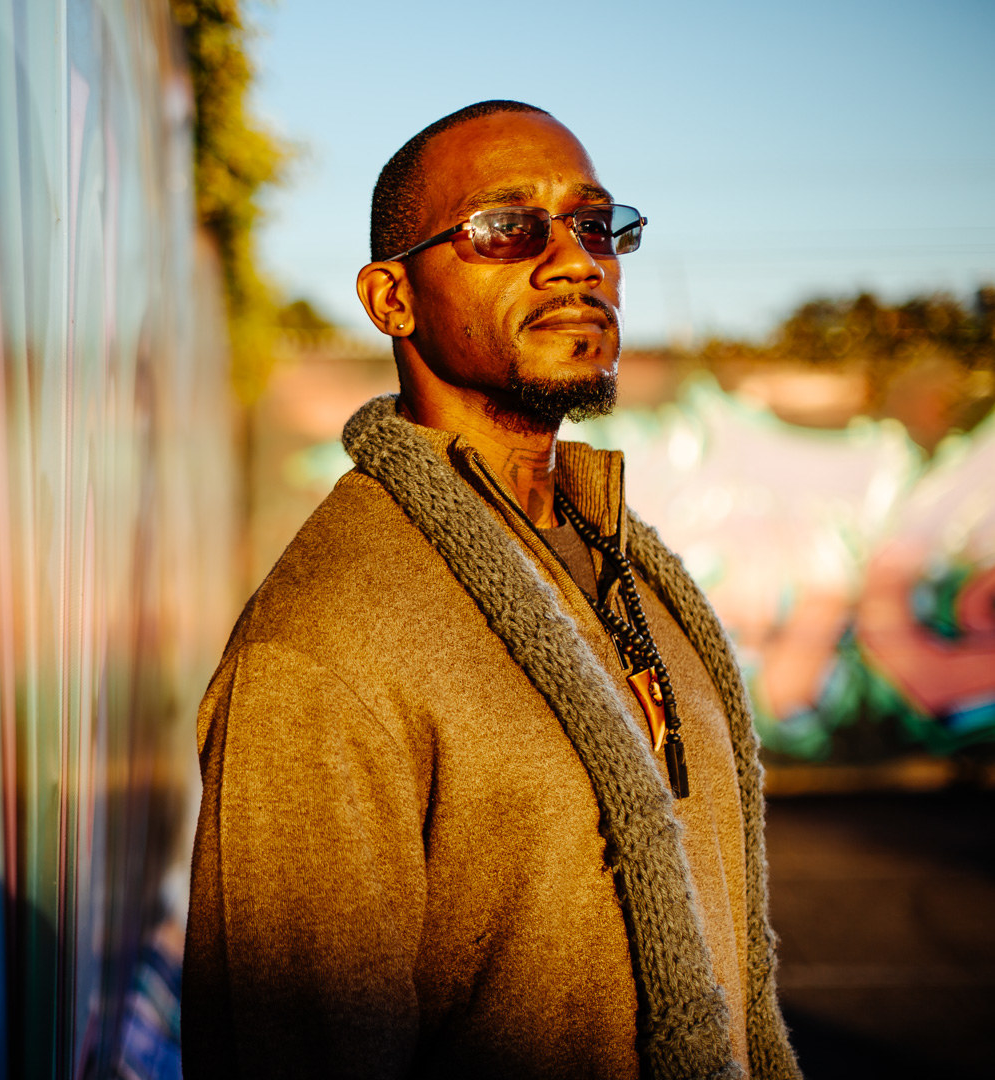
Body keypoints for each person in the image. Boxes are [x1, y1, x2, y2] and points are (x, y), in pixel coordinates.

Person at [182, 101, 802, 1080]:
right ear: (391, 299)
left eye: (597, 226)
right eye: (506, 229)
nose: (576, 262)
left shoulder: (627, 568)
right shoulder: (320, 649)